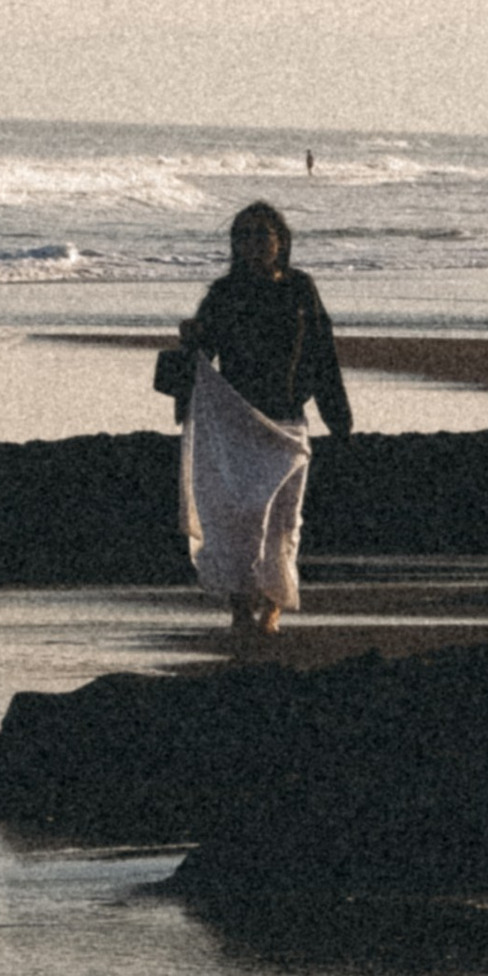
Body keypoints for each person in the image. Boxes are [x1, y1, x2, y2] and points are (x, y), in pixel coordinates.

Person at [168, 203, 353, 659]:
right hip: (237, 419)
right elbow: (200, 357)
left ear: (280, 241)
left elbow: (323, 352)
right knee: (241, 516)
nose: (253, 243)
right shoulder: (224, 293)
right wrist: (189, 343)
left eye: (261, 234)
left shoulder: (300, 290)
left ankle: (272, 606)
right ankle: (239, 607)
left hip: (289, 418)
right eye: (244, 236)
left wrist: (339, 417)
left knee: (285, 519)